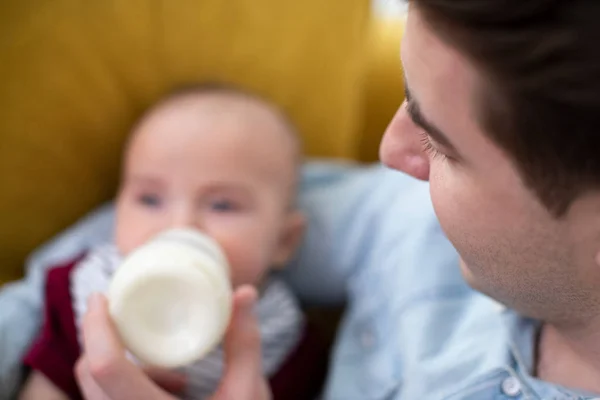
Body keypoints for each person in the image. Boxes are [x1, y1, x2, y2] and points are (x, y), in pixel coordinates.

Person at [73, 0, 600, 399]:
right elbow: (183, 206)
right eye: (407, 96)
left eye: (440, 144)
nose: (390, 152)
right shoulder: (400, 220)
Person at [19, 85, 328, 400]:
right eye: (150, 199)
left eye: (222, 205)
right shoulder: (78, 293)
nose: (179, 225)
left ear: (283, 242)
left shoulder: (290, 347)